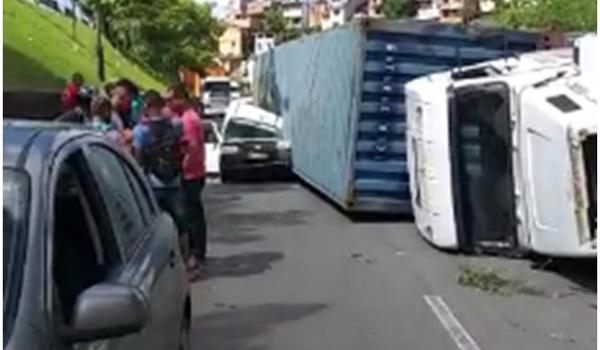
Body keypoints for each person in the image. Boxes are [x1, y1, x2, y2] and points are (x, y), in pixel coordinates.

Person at [132, 90, 189, 262]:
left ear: (146, 107)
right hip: (175, 181)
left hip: (153, 183)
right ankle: (185, 258)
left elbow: (138, 159)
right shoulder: (176, 124)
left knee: (155, 226)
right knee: (181, 223)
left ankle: (161, 260)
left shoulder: (141, 131)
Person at [165, 84, 207, 269]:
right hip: (194, 172)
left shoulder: (188, 120)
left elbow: (191, 148)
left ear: (181, 98)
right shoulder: (184, 116)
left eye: (171, 99)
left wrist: (181, 169)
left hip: (191, 174)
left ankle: (197, 252)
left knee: (192, 215)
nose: (169, 103)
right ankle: (197, 250)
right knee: (193, 213)